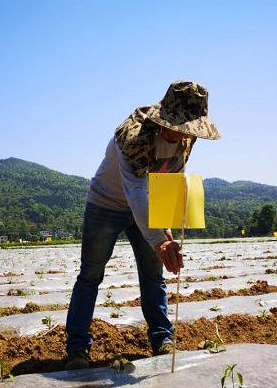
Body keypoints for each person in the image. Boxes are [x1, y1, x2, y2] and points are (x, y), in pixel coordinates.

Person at [65, 80, 221, 370]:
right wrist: (158, 240)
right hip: (107, 204)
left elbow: (171, 181)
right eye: (178, 124)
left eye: (187, 126)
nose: (181, 132)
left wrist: (167, 232)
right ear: (164, 119)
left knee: (154, 275)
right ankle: (77, 349)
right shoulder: (133, 136)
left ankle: (162, 338)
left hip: (147, 207)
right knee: (90, 274)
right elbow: (135, 191)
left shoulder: (185, 140)